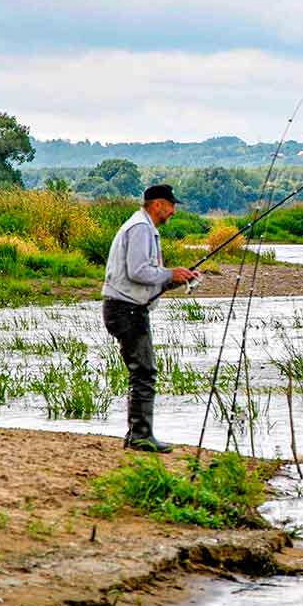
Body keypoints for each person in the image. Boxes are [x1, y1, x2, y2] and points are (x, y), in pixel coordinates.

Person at [102, 184, 198, 452]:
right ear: (158, 205)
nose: (173, 211)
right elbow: (138, 271)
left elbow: (145, 278)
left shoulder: (143, 227)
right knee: (144, 372)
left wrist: (176, 279)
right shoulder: (141, 228)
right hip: (126, 310)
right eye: (171, 205)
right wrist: (169, 274)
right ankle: (141, 437)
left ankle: (137, 435)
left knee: (141, 372)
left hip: (126, 307)